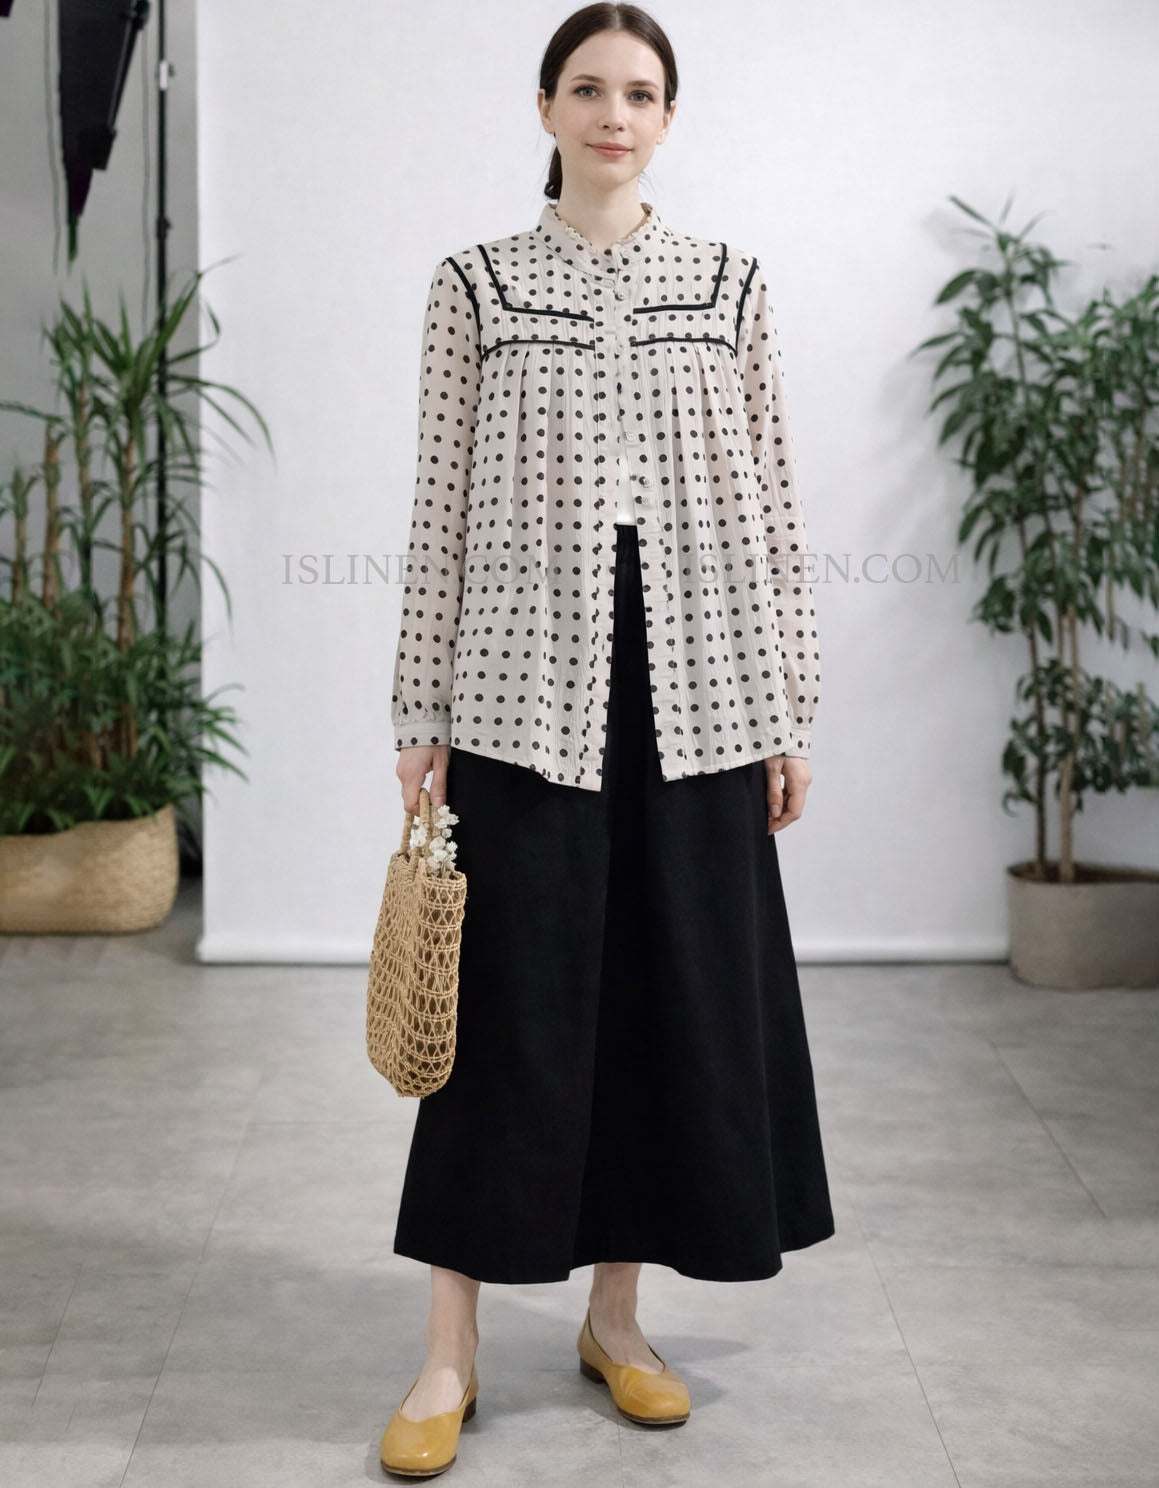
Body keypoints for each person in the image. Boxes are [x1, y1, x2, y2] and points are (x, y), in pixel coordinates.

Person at [380, 3, 835, 1475]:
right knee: (494, 1018)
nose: (614, 114)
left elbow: (771, 508)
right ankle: (447, 1352)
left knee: (665, 1002)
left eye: (640, 92)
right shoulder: (479, 288)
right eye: (589, 88)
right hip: (523, 694)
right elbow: (437, 505)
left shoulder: (730, 285)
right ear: (545, 106)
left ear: (669, 115)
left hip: (698, 697)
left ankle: (616, 1323)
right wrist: (420, 713)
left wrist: (788, 709)